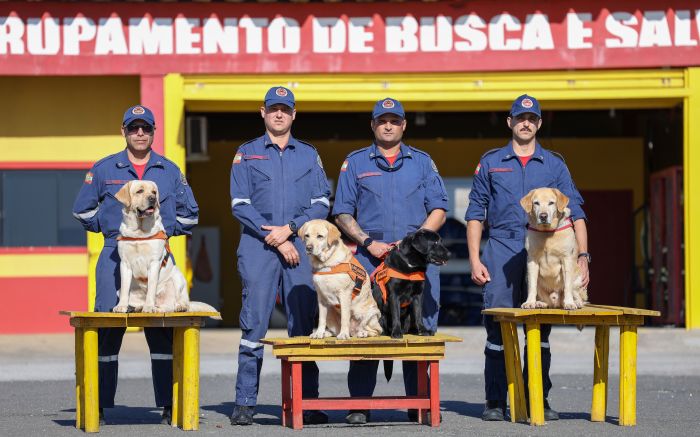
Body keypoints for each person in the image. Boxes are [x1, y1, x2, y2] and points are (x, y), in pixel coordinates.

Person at [465, 94, 591, 421]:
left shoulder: (554, 164)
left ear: (539, 123)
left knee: (540, 332)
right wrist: (475, 259)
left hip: (545, 249)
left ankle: (539, 398)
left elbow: (575, 211)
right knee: (497, 328)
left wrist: (583, 256)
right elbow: (475, 214)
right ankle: (495, 401)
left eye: (532, 118)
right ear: (510, 122)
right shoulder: (491, 161)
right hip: (502, 249)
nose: (525, 123)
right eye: (520, 117)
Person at [72, 105, 199, 425]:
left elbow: (190, 214)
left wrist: (164, 233)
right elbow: (81, 211)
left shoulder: (169, 171)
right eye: (133, 128)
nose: (139, 133)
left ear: (154, 132)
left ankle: (169, 403)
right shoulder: (103, 169)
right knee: (106, 324)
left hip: (158, 252)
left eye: (145, 128)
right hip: (117, 251)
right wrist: (110, 228)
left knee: (161, 330)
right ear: (124, 131)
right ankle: (98, 403)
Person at [333, 97, 449, 424]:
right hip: (373, 260)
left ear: (404, 125)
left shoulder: (422, 162)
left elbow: (438, 209)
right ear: (373, 125)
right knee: (366, 330)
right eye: (382, 120)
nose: (388, 125)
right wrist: (369, 242)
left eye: (395, 121)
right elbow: (342, 212)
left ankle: (419, 404)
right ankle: (359, 405)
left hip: (415, 264)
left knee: (418, 329)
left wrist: (412, 243)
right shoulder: (355, 163)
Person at [229, 86, 331, 426]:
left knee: (303, 326)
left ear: (293, 114)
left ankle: (307, 402)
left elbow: (322, 201)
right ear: (263, 112)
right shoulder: (247, 153)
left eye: (285, 110)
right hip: (258, 247)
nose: (279, 114)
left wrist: (290, 229)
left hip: (301, 247)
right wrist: (274, 235)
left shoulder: (308, 154)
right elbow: (239, 204)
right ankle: (245, 402)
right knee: (253, 324)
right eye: (273, 109)